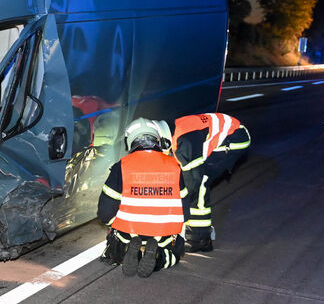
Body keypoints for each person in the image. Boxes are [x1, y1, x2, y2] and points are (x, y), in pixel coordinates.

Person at [97, 118, 187, 278]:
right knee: (175, 254)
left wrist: (114, 226)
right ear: (157, 139)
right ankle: (161, 259)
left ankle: (126, 254)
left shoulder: (122, 165)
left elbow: (105, 210)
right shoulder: (175, 166)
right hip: (164, 236)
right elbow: (185, 210)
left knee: (112, 252)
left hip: (128, 233)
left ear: (131, 141)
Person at [170, 113, 251, 252]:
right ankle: (200, 234)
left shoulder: (184, 141)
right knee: (192, 178)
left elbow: (193, 180)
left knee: (199, 182)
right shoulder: (179, 131)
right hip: (232, 132)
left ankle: (199, 239)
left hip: (236, 138)